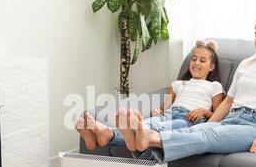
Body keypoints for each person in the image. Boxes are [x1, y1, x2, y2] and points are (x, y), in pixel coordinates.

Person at [118, 13, 256, 163]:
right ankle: (119, 137)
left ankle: (148, 138)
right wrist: (210, 122)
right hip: (232, 117)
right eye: (255, 34)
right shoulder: (247, 64)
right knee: (195, 130)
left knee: (208, 135)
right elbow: (227, 102)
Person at [76, 40, 225, 151]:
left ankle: (106, 134)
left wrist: (204, 111)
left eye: (202, 60)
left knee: (155, 127)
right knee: (151, 124)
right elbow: (166, 106)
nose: (196, 63)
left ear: (211, 67)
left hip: (190, 119)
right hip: (170, 113)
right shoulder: (178, 84)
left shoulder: (214, 86)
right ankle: (102, 135)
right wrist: (159, 111)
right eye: (194, 59)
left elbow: (219, 115)